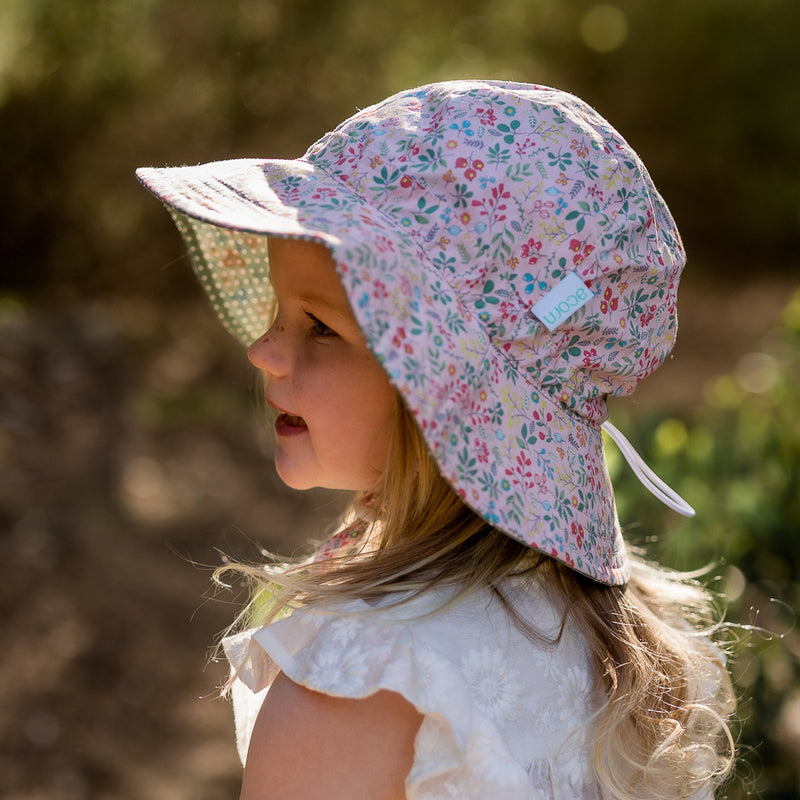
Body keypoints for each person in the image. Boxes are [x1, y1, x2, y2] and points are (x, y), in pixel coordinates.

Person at [137, 80, 735, 799]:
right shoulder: (627, 653)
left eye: (321, 327)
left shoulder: (360, 683)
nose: (264, 350)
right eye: (279, 311)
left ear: (447, 385)